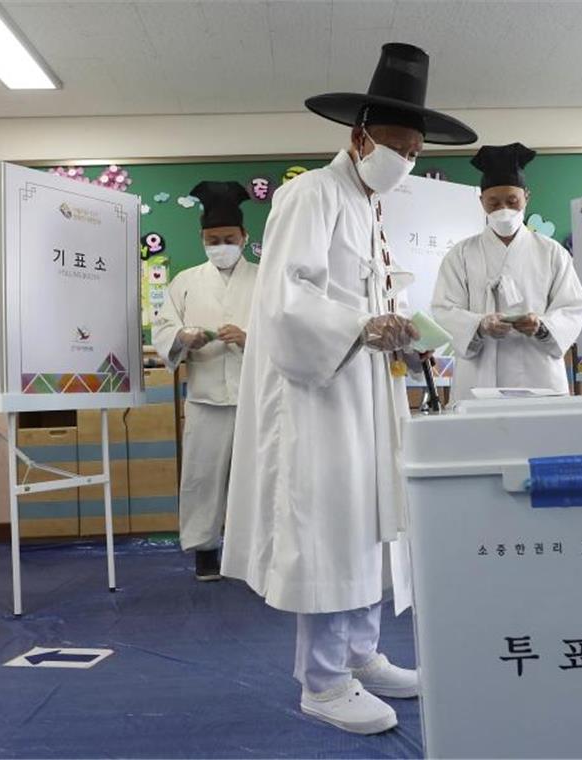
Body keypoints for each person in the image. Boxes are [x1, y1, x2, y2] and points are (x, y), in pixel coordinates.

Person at [219, 43, 477, 734]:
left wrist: (397, 328)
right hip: (317, 397)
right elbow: (286, 301)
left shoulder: (366, 207)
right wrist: (365, 326)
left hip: (363, 391)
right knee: (329, 526)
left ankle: (362, 653)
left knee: (368, 519)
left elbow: (363, 300)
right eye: (396, 143)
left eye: (416, 150)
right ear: (359, 136)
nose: (406, 159)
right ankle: (324, 680)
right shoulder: (313, 195)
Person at [151, 181, 257, 582]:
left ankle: (253, 553)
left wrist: (249, 339)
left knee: (257, 477)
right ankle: (205, 551)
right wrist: (183, 337)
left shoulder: (265, 279)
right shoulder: (184, 281)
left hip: (254, 397)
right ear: (202, 239)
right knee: (202, 476)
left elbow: (282, 332)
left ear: (244, 238)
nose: (221, 245)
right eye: (213, 240)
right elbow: (164, 329)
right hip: (206, 396)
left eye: (229, 238)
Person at [431, 143, 582, 401]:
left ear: (527, 196)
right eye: (493, 202)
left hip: (539, 373)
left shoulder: (552, 253)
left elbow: (574, 307)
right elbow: (443, 308)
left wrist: (542, 326)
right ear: (481, 201)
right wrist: (479, 325)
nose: (503, 209)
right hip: (478, 375)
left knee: (541, 439)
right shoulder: (460, 254)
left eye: (512, 201)